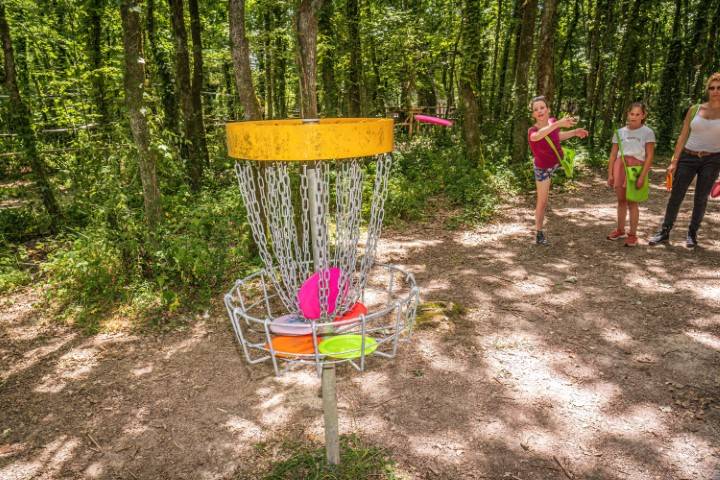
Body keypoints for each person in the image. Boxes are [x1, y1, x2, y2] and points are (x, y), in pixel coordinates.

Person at [649, 72, 720, 248]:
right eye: (712, 88)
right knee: (676, 195)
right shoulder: (695, 109)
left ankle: (692, 234)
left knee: (701, 198)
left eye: (719, 88)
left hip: (712, 159)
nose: (715, 91)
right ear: (707, 90)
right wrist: (674, 160)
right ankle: (664, 232)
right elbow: (682, 136)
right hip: (688, 156)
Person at [528, 96, 589, 245]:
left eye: (542, 107)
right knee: (542, 201)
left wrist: (574, 132)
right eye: (536, 109)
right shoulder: (532, 130)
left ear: (548, 109)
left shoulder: (553, 122)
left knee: (546, 199)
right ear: (533, 115)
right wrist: (557, 125)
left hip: (557, 162)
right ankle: (539, 233)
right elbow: (539, 136)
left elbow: (557, 136)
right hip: (542, 169)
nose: (539, 111)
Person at [606, 103, 656, 247]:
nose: (634, 117)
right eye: (631, 114)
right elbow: (613, 154)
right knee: (621, 200)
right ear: (627, 114)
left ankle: (632, 234)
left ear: (643, 115)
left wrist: (642, 176)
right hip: (620, 167)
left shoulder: (647, 132)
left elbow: (649, 156)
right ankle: (620, 230)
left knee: (632, 202)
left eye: (637, 114)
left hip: (636, 170)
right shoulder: (619, 132)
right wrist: (610, 174)